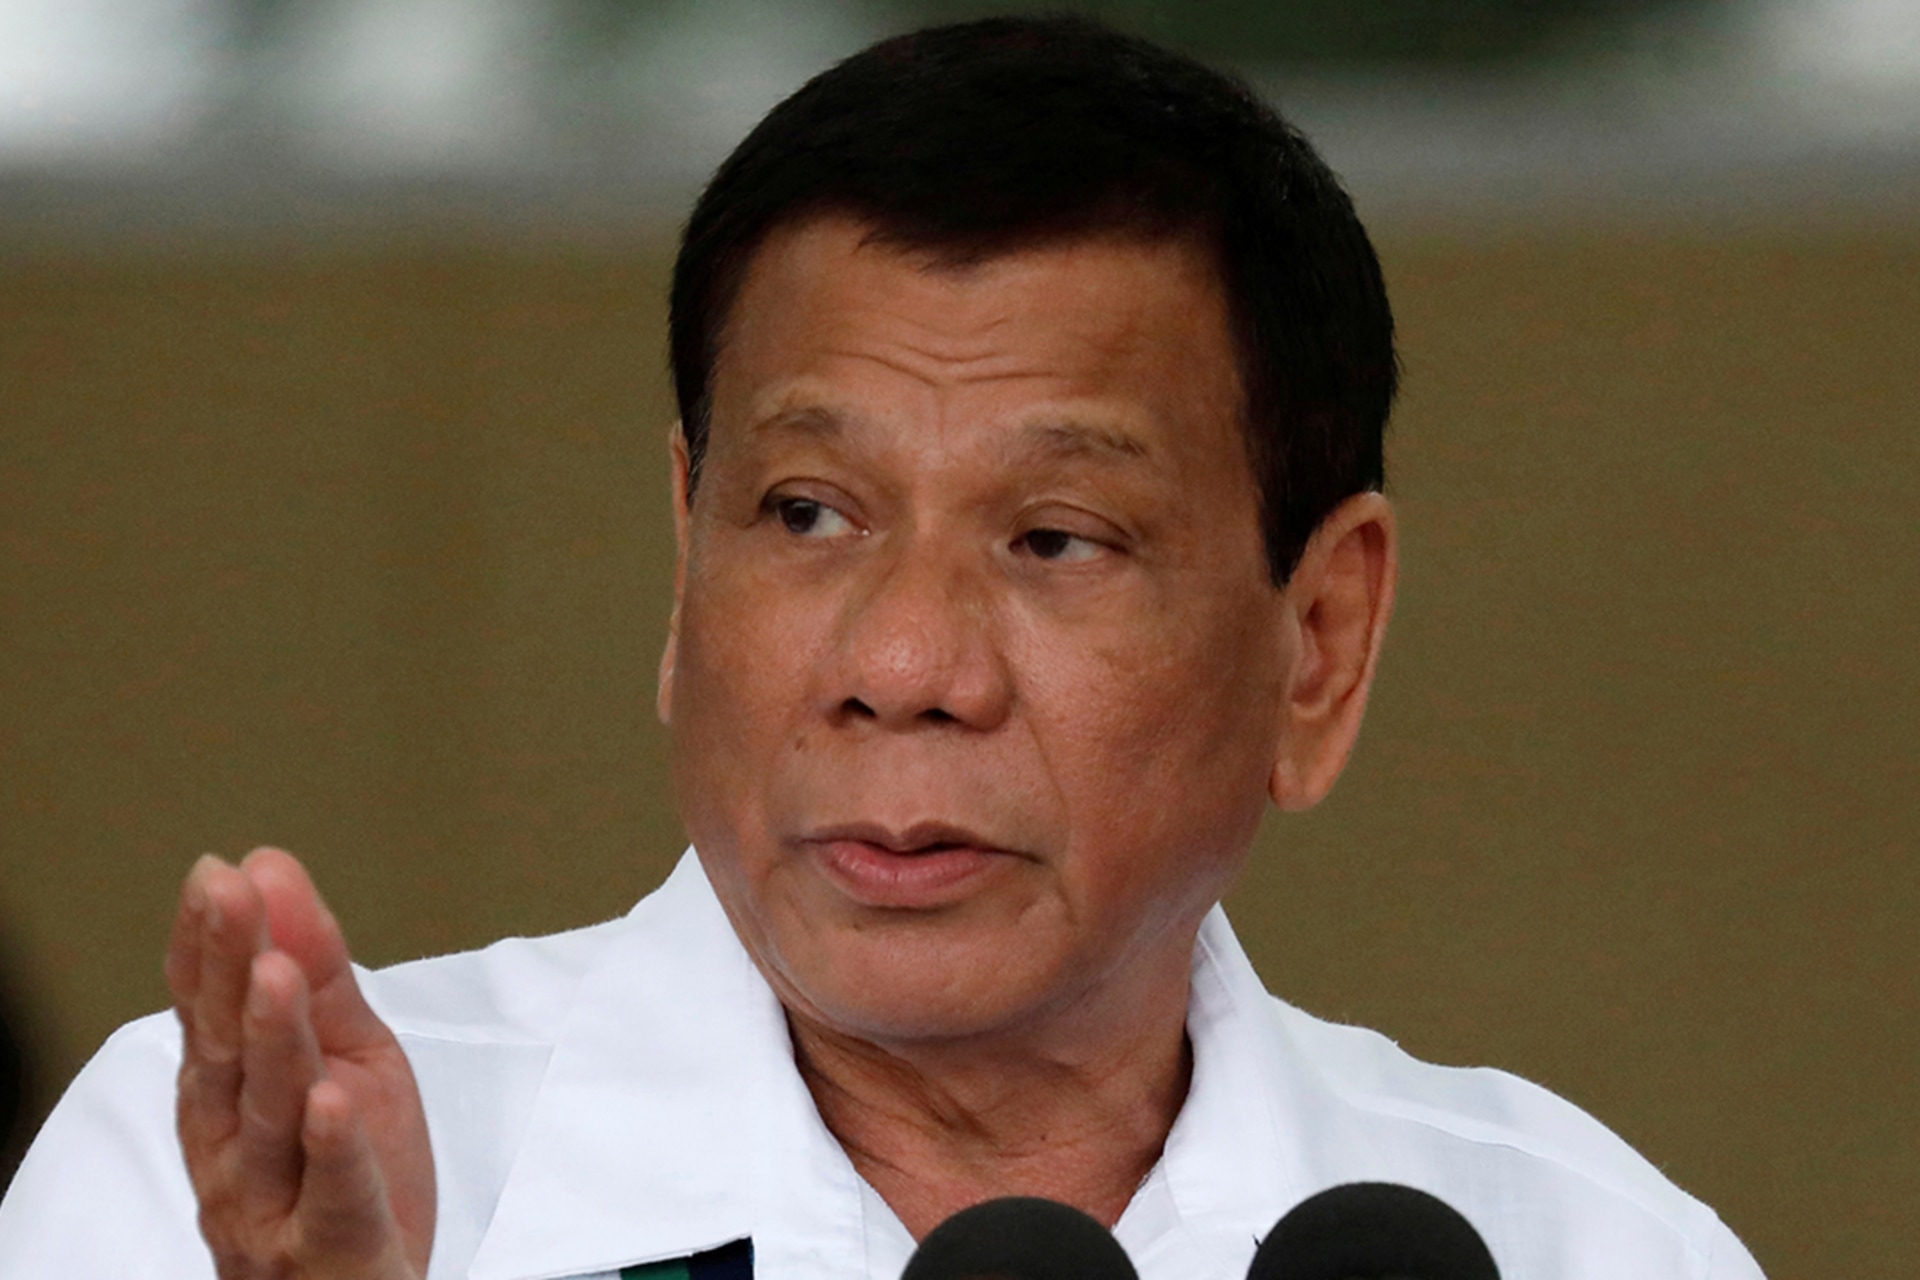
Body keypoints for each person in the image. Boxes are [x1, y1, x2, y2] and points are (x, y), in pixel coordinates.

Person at [0, 16, 1765, 1280]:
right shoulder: (230, 1193)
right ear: (685, 566)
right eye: (808, 517)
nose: (904, 661)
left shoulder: (1584, 1246)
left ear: (1319, 643)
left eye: (1056, 539)